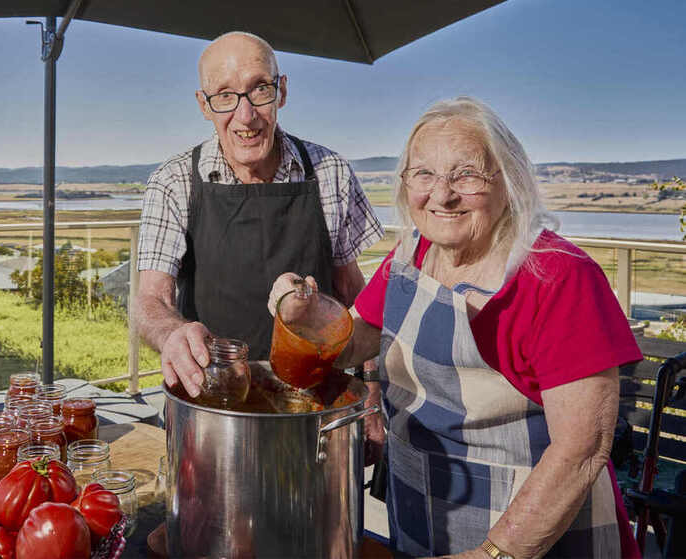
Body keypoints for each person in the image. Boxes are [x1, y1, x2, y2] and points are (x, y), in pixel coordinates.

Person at [269, 97, 642, 558]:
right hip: (423, 515)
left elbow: (581, 450)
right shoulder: (411, 255)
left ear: (509, 180)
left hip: (531, 537)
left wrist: (493, 554)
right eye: (424, 174)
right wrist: (304, 316)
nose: (441, 195)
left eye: (466, 174)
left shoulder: (560, 277)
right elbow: (354, 340)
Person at [132, 32, 383, 406]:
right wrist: (171, 332)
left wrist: (372, 386)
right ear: (204, 105)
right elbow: (151, 298)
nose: (245, 115)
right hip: (215, 402)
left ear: (282, 92)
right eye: (225, 96)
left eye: (260, 89)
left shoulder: (331, 172)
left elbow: (352, 294)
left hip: (315, 402)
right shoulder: (173, 181)